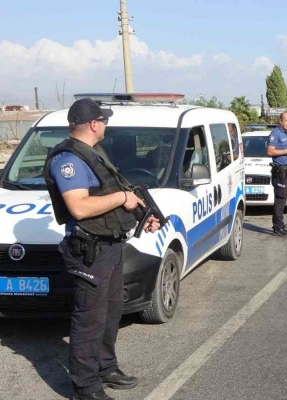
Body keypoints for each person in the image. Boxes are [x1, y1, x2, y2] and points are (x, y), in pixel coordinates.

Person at [43, 98, 161, 400]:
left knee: (110, 313)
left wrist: (140, 213)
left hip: (110, 245)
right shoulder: (68, 160)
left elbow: (111, 193)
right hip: (90, 250)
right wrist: (123, 199)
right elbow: (80, 207)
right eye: (104, 120)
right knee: (89, 320)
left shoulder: (93, 154)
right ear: (94, 124)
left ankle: (105, 367)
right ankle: (85, 387)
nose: (106, 124)